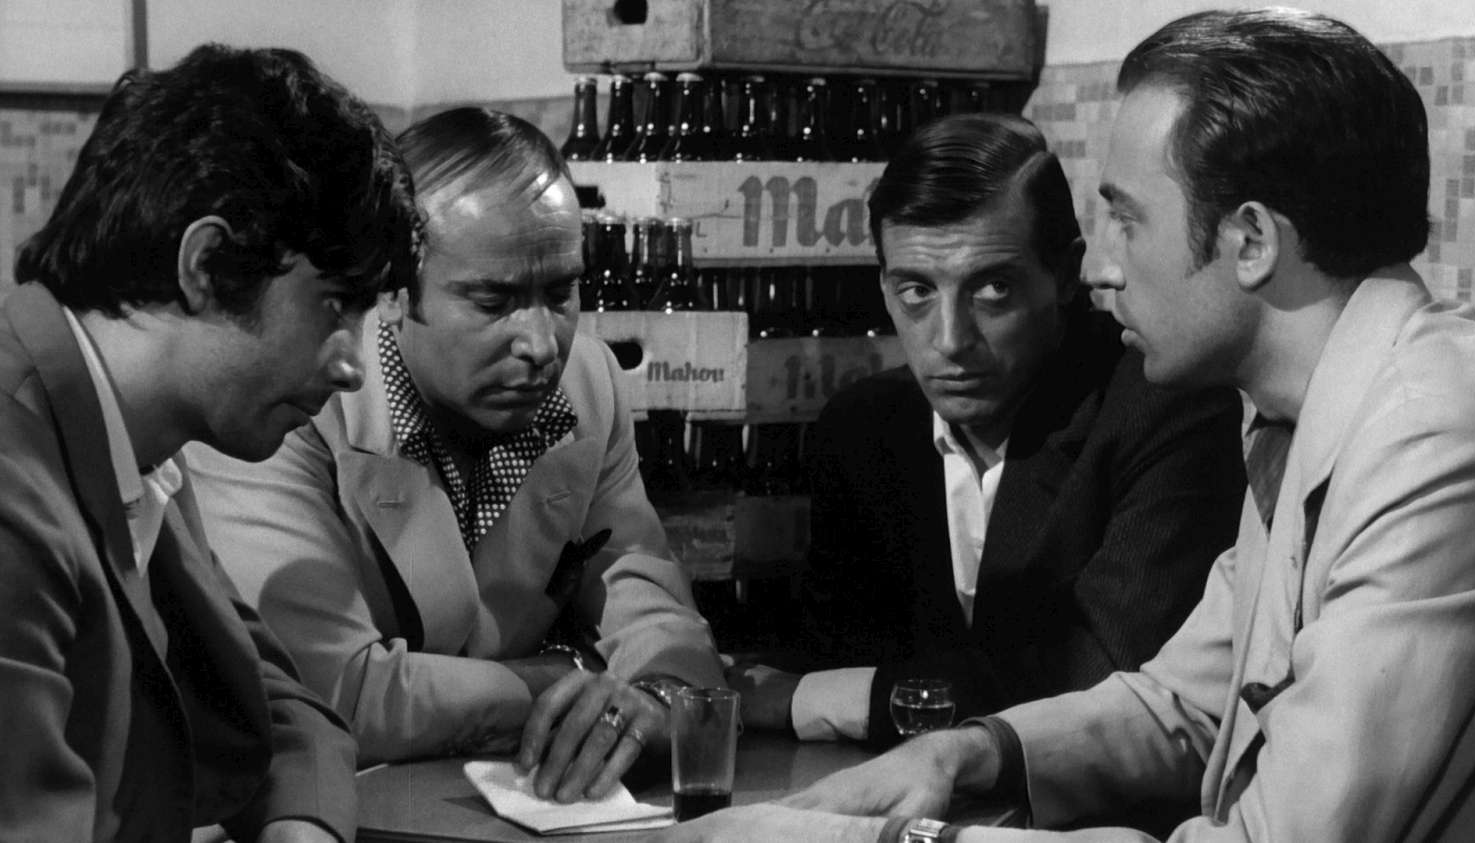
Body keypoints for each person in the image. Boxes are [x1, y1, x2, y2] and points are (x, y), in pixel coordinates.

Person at [661, 7, 1475, 842]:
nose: (1103, 266)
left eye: (1129, 220)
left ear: (1250, 241)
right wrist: (969, 750)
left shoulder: (1431, 433)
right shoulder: (1303, 414)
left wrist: (887, 840)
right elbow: (1181, 701)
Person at [185, 107, 725, 804]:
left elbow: (655, 614)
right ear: (393, 290)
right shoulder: (288, 400)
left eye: (560, 292)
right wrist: (568, 677)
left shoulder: (590, 383)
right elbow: (331, 691)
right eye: (494, 301)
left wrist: (655, 698)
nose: (541, 344)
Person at [728, 112, 1246, 761]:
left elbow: (1098, 683)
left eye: (992, 289)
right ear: (883, 287)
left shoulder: (1163, 407)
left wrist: (806, 698)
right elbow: (837, 652)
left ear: (1066, 275)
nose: (950, 340)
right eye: (916, 291)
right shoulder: (862, 430)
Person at [0, 45, 421, 843]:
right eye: (334, 304)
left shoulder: (134, 439)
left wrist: (301, 826)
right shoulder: (14, 483)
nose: (352, 366)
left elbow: (272, 700)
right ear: (207, 264)